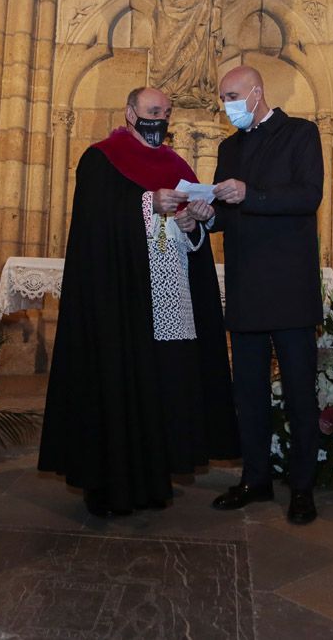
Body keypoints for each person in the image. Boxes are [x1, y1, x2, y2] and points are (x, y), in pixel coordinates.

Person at [38, 87, 238, 517]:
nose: (159, 119)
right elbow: (95, 224)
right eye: (152, 111)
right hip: (119, 299)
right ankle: (108, 484)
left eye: (165, 112)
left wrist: (191, 223)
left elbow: (193, 240)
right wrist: (149, 203)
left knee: (162, 383)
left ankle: (154, 476)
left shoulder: (176, 165)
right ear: (129, 112)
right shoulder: (101, 158)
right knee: (119, 382)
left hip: (171, 296)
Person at [205, 66, 325, 525]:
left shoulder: (299, 133)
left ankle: (302, 487)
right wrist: (203, 214)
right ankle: (255, 478)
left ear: (257, 92)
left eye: (233, 95)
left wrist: (249, 194)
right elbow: (224, 211)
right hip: (244, 287)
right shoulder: (227, 147)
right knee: (248, 392)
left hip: (289, 288)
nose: (227, 104)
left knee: (299, 393)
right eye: (223, 97)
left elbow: (307, 196)